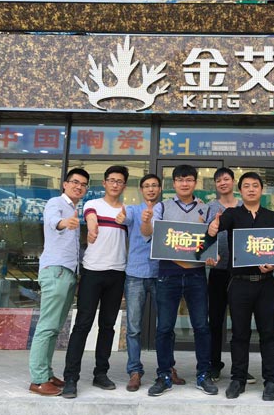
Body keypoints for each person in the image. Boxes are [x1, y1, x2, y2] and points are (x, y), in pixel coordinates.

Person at [140, 164, 218, 397]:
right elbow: (149, 234)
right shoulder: (162, 206)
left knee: (201, 327)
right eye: (180, 180)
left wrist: (211, 255)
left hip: (196, 275)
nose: (185, 183)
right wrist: (146, 221)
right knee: (164, 327)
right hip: (168, 274)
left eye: (189, 179)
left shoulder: (205, 208)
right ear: (173, 183)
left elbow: (208, 242)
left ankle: (203, 374)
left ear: (195, 182)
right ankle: (164, 374)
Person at [207, 171, 274, 401]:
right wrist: (212, 228)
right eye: (246, 186)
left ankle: (271, 381)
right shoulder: (232, 214)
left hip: (265, 284)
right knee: (239, 334)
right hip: (239, 284)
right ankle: (237, 379)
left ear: (261, 190)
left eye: (255, 185)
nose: (251, 189)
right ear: (240, 191)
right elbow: (214, 232)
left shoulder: (272, 217)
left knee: (268, 334)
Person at [61, 165, 129, 398]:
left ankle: (101, 373)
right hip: (92, 272)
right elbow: (90, 218)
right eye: (111, 180)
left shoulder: (126, 211)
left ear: (124, 185)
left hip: (117, 273)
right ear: (104, 183)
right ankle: (71, 378)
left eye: (119, 181)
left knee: (108, 326)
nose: (115, 184)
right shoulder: (93, 204)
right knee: (82, 324)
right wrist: (92, 229)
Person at [115, 173, 186, 392]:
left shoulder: (167, 211)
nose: (151, 189)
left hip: (162, 273)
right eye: (147, 186)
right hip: (135, 274)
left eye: (155, 185)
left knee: (165, 326)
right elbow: (123, 218)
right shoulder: (133, 210)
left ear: (160, 188)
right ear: (141, 189)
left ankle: (168, 368)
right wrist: (121, 217)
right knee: (134, 327)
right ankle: (134, 371)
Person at [29, 168, 90, 397]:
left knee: (54, 328)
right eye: (75, 182)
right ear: (65, 184)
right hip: (56, 272)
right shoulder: (56, 203)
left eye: (83, 184)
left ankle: (46, 373)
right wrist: (65, 223)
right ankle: (38, 379)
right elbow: (53, 221)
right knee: (47, 326)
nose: (78, 187)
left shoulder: (75, 208)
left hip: (68, 273)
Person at [207, 167, 255, 384]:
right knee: (215, 321)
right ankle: (214, 365)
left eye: (226, 179)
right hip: (217, 271)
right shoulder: (210, 207)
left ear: (233, 182)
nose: (222, 183)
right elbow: (205, 235)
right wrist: (208, 254)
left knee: (240, 323)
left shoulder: (244, 206)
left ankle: (240, 368)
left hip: (240, 272)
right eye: (218, 180)